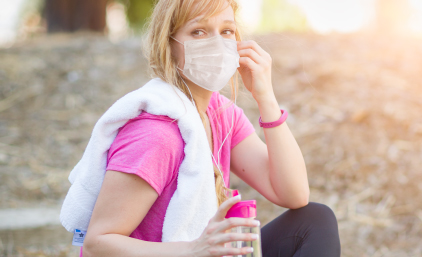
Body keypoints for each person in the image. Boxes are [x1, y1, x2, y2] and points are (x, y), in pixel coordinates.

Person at [79, 0, 341, 256]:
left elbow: (294, 194)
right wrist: (193, 250)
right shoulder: (156, 134)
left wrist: (266, 98)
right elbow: (96, 245)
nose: (217, 43)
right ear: (169, 45)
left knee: (315, 220)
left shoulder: (221, 115)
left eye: (226, 31)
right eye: (198, 31)